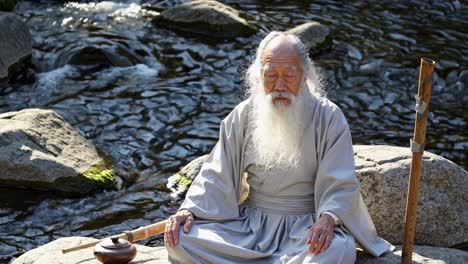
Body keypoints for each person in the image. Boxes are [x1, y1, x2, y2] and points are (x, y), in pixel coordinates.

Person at [164, 31, 394, 263]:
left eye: (289, 75)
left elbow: (341, 183)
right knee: (182, 240)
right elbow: (215, 174)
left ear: (305, 75)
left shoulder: (328, 116)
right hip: (249, 229)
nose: (280, 85)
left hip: (306, 230)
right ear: (258, 76)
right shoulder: (243, 115)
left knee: (337, 249)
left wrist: (328, 219)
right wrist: (189, 210)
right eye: (271, 75)